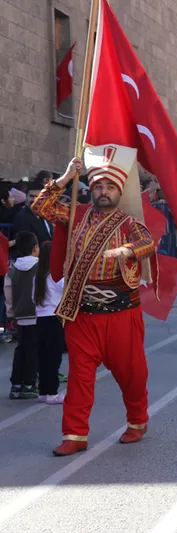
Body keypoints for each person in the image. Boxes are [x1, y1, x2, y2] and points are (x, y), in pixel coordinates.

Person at [33, 149, 157, 456]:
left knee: (132, 374)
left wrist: (126, 251)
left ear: (118, 191)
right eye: (98, 186)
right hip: (82, 312)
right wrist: (65, 178)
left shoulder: (128, 222)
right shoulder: (75, 213)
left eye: (109, 187)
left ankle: (138, 421)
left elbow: (148, 242)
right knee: (79, 377)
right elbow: (41, 205)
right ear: (92, 189)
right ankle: (74, 434)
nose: (103, 192)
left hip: (121, 314)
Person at [5, 231, 39, 400]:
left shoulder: (12, 271)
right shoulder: (39, 267)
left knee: (21, 349)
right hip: (37, 314)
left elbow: (8, 294)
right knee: (34, 350)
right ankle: (29, 384)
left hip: (19, 315)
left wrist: (11, 314)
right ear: (35, 248)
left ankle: (16, 384)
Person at [32, 240, 65, 404]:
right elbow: (66, 289)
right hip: (54, 318)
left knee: (43, 357)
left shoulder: (38, 275)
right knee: (53, 357)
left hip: (41, 319)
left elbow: (33, 298)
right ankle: (52, 392)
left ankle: (43, 391)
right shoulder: (55, 275)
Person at [13, 180, 54, 245]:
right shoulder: (22, 217)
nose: (34, 200)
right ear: (26, 196)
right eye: (31, 196)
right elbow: (25, 244)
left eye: (37, 197)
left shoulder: (46, 214)